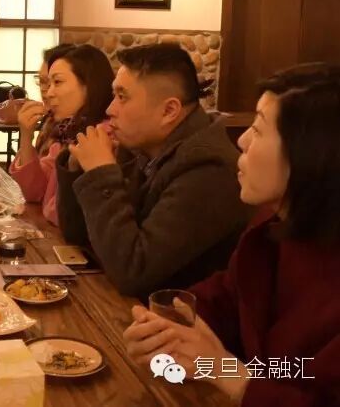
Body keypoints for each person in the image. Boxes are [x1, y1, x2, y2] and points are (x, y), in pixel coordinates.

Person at [123, 63, 340, 405]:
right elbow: (227, 297)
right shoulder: (273, 228)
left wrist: (225, 371)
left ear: (313, 153)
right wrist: (166, 328)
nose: (241, 140)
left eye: (258, 128)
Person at [56, 43, 253, 297]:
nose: (109, 109)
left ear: (169, 111)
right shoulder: (143, 149)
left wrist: (101, 175)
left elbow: (133, 271)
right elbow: (78, 238)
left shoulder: (209, 171)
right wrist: (78, 168)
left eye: (122, 96)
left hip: (176, 317)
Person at [10, 44, 113, 225]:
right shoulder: (68, 132)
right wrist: (26, 136)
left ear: (89, 85)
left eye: (57, 82)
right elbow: (34, 191)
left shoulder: (102, 138)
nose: (48, 93)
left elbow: (61, 214)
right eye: (44, 83)